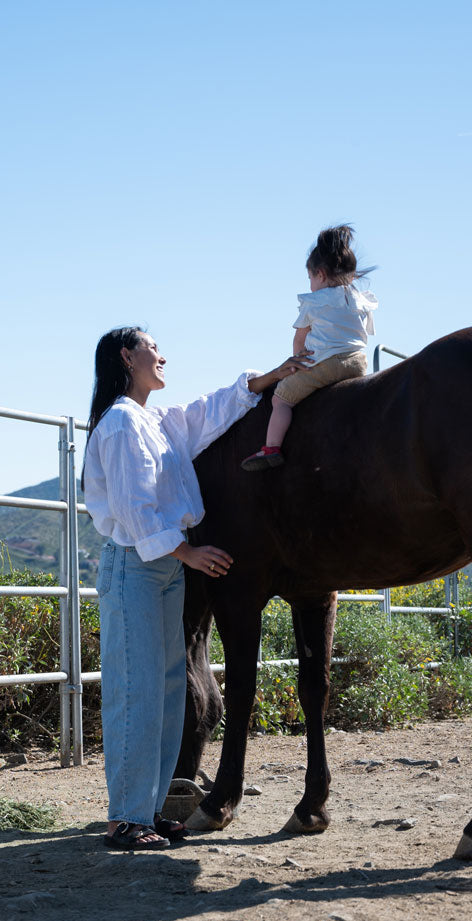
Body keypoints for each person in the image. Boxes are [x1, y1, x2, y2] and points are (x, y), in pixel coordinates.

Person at [83, 327, 309, 850]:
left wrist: (270, 378)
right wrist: (190, 553)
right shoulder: (119, 424)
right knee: (136, 690)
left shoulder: (154, 421)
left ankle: (150, 809)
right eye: (152, 347)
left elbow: (208, 410)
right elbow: (137, 510)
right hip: (138, 564)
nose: (162, 356)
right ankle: (125, 819)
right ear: (126, 355)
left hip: (161, 566)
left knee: (165, 692)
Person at [241, 225, 377, 471]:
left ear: (320, 274)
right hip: (358, 362)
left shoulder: (313, 301)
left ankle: (271, 448)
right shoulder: (359, 298)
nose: (311, 284)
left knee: (281, 398)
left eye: (310, 278)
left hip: (327, 364)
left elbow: (299, 341)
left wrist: (297, 362)